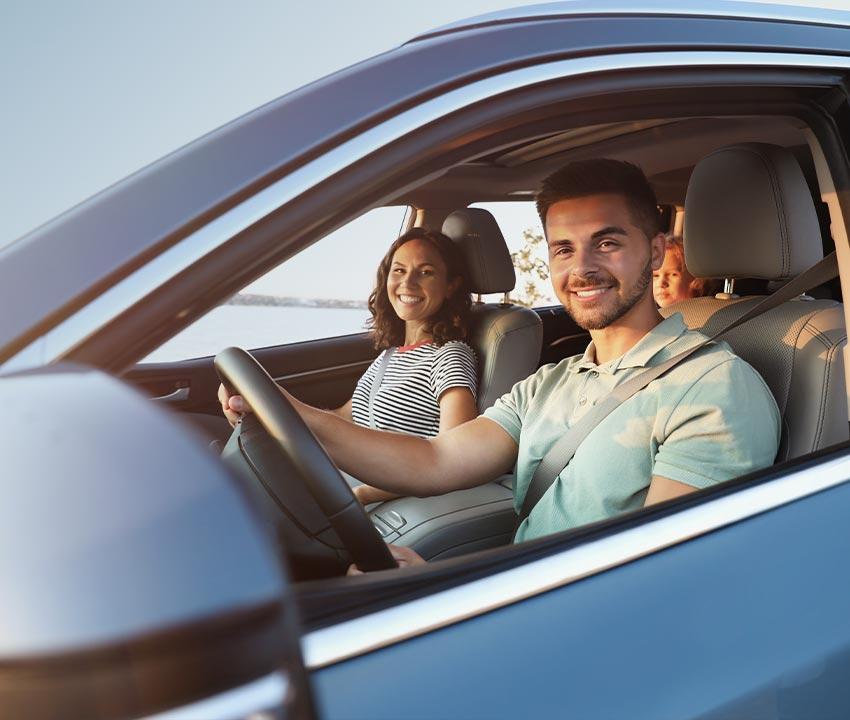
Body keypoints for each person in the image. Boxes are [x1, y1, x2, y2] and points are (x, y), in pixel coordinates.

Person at [221, 159, 781, 571]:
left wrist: (445, 599)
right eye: (563, 248)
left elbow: (658, 580)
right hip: (531, 601)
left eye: (606, 243)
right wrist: (288, 413)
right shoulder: (552, 381)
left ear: (656, 252)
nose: (581, 268)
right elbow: (435, 460)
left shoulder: (714, 389)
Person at [220, 227, 479, 506]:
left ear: (451, 285)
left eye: (426, 272)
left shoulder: (450, 356)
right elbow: (343, 420)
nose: (408, 283)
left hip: (377, 498)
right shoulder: (390, 356)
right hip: (344, 482)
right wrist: (265, 411)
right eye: (399, 270)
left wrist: (362, 494)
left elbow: (456, 456)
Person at [653, 234, 720, 307]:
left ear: (697, 281)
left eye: (673, 274)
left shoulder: (703, 315)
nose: (661, 283)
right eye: (655, 275)